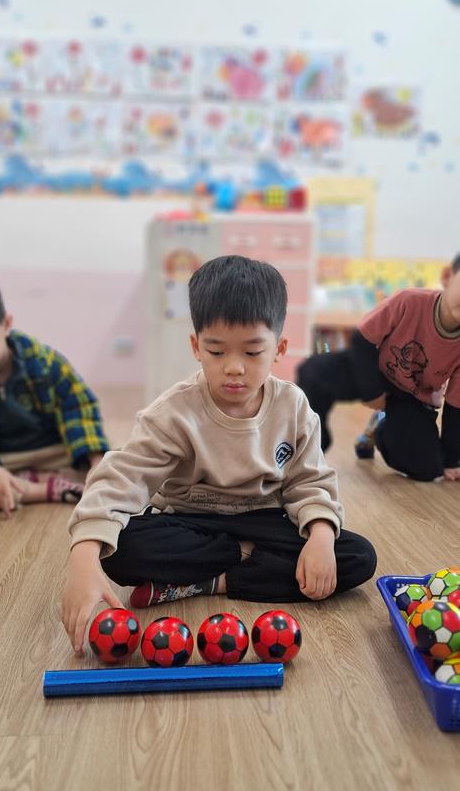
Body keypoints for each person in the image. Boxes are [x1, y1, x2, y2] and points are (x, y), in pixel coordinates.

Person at [62, 255, 376, 655]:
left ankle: (213, 581)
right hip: (191, 521)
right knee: (120, 550)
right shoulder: (174, 411)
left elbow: (310, 481)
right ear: (196, 347)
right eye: (216, 351)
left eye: (252, 352)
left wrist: (320, 534)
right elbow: (121, 478)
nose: (234, 368)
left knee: (356, 556)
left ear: (279, 349)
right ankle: (246, 562)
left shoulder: (293, 407)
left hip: (264, 520)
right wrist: (83, 557)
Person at [297, 255, 460, 483]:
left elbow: (456, 407)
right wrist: (373, 392)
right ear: (447, 277)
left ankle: (379, 426)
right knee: (313, 372)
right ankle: (313, 448)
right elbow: (362, 341)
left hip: (412, 396)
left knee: (429, 469)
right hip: (373, 369)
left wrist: (451, 461)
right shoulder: (408, 300)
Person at [0, 277, 109, 517]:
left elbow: (79, 408)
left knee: (114, 466)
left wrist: (97, 463)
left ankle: (27, 483)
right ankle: (47, 488)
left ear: (6, 324)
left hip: (53, 452)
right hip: (2, 459)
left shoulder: (45, 362)